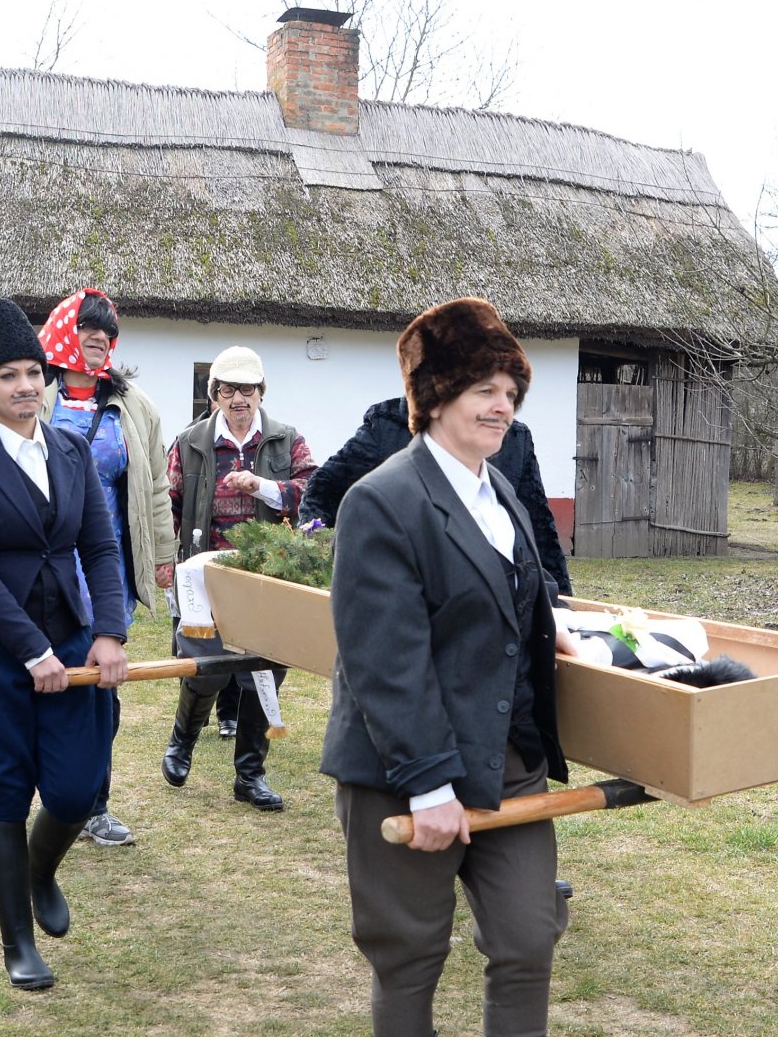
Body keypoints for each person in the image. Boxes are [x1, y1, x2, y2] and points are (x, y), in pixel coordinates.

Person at [321, 298, 587, 1037]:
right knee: (410, 953)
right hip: (405, 772)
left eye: (510, 389)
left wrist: (554, 632)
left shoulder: (499, 488)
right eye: (482, 387)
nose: (502, 404)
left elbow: (516, 598)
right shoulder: (382, 499)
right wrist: (429, 783)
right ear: (432, 397)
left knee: (525, 939)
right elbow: (385, 659)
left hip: (506, 763)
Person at [0, 298, 128, 991]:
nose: (23, 387)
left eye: (32, 373)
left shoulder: (70, 450)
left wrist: (107, 633)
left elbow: (101, 547)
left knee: (77, 789)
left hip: (70, 638)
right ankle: (18, 941)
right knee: (6, 795)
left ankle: (42, 870)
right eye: (6, 376)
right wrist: (31, 653)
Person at [34, 288, 175, 846]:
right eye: (87, 328)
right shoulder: (32, 395)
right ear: (63, 332)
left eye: (106, 331)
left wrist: (163, 554)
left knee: (100, 689)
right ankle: (45, 794)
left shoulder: (134, 405)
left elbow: (155, 486)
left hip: (104, 567)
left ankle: (94, 804)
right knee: (44, 678)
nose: (97, 338)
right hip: (40, 570)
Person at [162, 346, 316, 811]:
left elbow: (312, 494)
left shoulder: (287, 441)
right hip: (205, 576)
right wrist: (169, 567)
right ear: (215, 395)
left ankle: (250, 776)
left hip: (268, 579)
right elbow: (168, 502)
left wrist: (263, 486)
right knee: (205, 668)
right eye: (228, 389)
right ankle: (181, 744)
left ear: (260, 393)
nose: (239, 398)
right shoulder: (190, 442)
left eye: (247, 389)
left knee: (264, 674)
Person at [299, 396, 573, 594]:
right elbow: (323, 491)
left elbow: (537, 530)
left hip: (494, 603)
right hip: (410, 597)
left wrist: (561, 605)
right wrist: (324, 560)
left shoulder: (513, 439)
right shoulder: (389, 425)